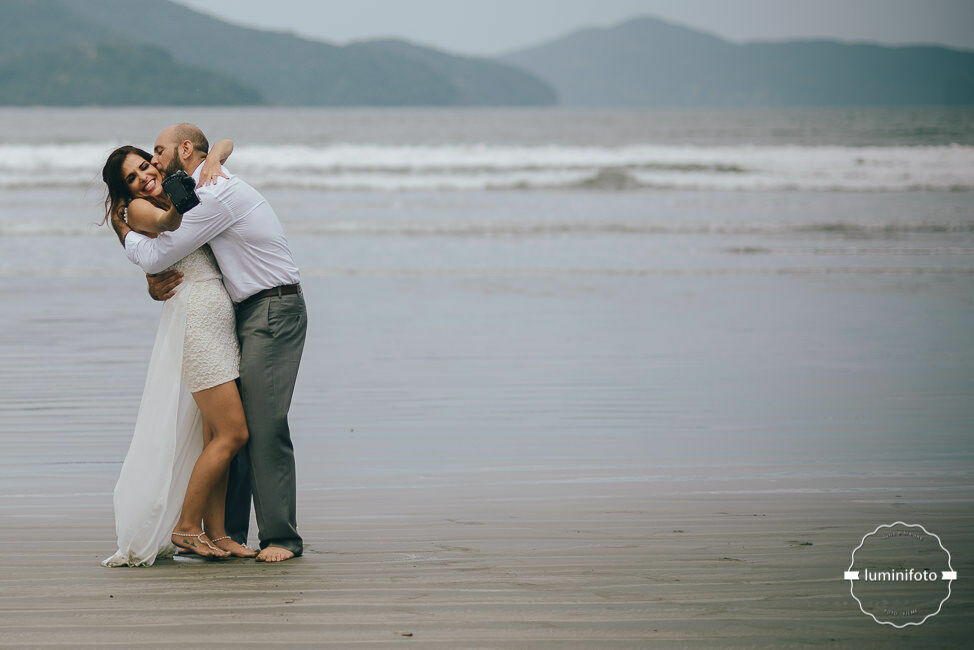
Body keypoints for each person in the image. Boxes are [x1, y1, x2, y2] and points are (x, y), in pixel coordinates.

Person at [110, 123, 307, 563]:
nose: (152, 165)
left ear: (183, 151)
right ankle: (210, 531)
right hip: (222, 315)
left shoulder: (211, 192)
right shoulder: (181, 197)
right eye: (139, 169)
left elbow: (165, 248)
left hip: (264, 309)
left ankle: (270, 537)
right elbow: (163, 244)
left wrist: (217, 153)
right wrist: (128, 237)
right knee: (232, 431)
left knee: (252, 427)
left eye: (154, 155)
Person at [101, 139, 257, 565]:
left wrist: (210, 159)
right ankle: (187, 528)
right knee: (233, 433)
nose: (142, 177)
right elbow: (167, 225)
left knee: (211, 434)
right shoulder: (138, 210)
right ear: (125, 191)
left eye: (143, 167)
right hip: (197, 322)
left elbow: (220, 141)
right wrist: (174, 210)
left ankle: (217, 533)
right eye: (131, 179)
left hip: (216, 318)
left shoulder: (176, 185)